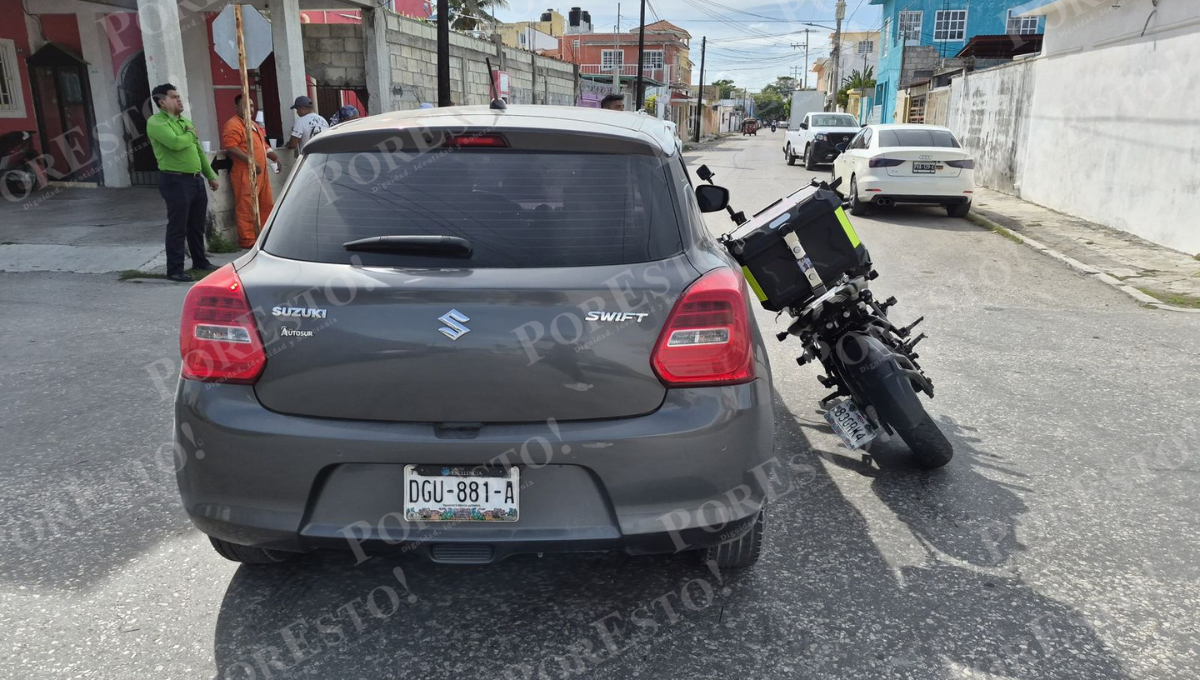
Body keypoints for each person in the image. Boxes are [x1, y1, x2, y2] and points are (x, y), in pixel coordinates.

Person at [145, 83, 220, 283]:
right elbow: (176, 144)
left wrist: (210, 175)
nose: (179, 99)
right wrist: (190, 134)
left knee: (197, 225)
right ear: (162, 102)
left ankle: (200, 261)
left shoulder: (185, 122)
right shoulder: (156, 122)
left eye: (179, 96)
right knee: (178, 226)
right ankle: (175, 269)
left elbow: (198, 152)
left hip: (195, 179)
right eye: (174, 97)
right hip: (175, 180)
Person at [221, 94, 279, 249]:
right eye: (245, 105)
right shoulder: (233, 125)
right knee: (246, 206)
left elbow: (263, 145)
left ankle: (264, 236)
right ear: (236, 107)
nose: (250, 109)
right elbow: (231, 147)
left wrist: (274, 157)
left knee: (266, 205)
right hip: (245, 173)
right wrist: (251, 161)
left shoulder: (253, 124)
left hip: (262, 173)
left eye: (252, 106)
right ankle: (247, 240)